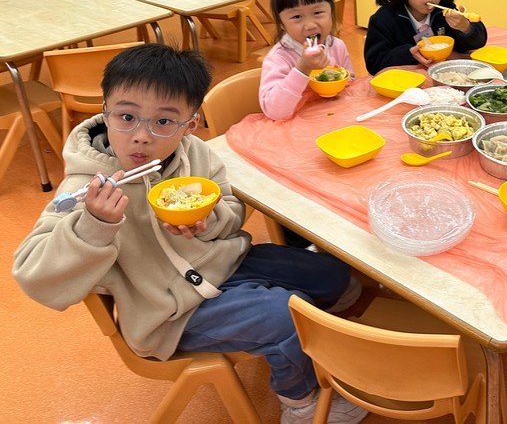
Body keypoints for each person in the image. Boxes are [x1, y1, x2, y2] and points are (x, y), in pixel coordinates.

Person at [12, 44, 366, 424]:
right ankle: (300, 403)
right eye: (126, 116)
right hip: (168, 312)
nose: (141, 136)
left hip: (223, 265)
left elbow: (230, 208)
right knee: (286, 314)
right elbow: (34, 277)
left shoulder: (194, 153)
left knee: (332, 274)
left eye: (164, 121)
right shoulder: (84, 188)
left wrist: (208, 221)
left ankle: (312, 341)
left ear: (191, 124)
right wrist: (93, 226)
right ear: (105, 111)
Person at [261, 0, 354, 121]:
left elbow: (351, 84)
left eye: (317, 13)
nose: (310, 25)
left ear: (331, 12)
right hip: (294, 127)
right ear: (282, 23)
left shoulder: (337, 46)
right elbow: (274, 112)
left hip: (333, 120)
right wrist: (302, 69)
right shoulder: (279, 58)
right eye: (297, 17)